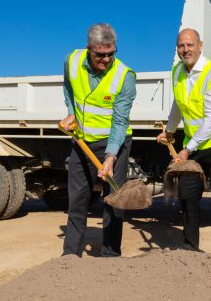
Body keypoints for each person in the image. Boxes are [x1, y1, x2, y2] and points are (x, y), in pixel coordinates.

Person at [156, 28, 211, 252]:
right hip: (195, 143)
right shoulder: (177, 72)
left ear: (200, 46)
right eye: (181, 46)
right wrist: (170, 130)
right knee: (187, 194)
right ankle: (189, 247)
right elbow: (178, 104)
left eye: (190, 45)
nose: (186, 50)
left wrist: (187, 150)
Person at [59, 23, 136, 257]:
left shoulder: (125, 76)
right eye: (100, 54)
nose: (106, 59)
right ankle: (70, 255)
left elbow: (120, 122)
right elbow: (68, 88)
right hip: (81, 142)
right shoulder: (72, 61)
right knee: (77, 200)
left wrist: (111, 156)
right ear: (89, 49)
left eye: (111, 53)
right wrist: (71, 111)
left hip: (115, 144)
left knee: (113, 201)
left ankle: (110, 255)